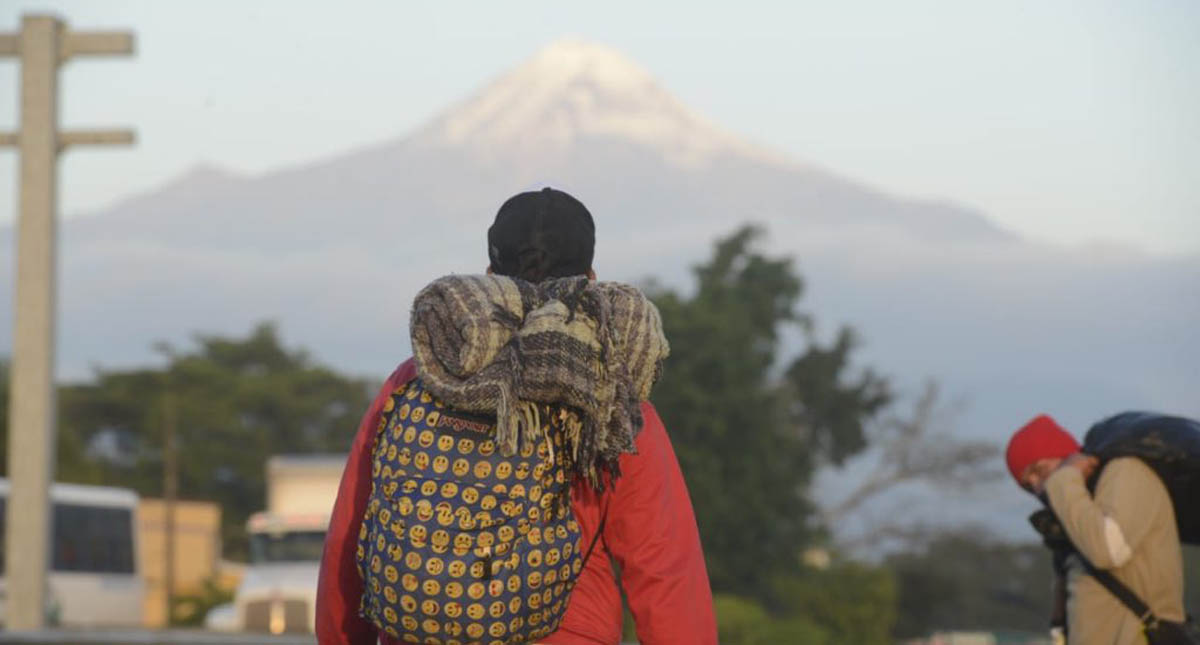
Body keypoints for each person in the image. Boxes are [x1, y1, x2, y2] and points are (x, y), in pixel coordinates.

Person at [316, 187, 717, 645]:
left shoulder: (417, 379)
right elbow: (664, 569)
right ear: (589, 277)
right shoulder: (613, 396)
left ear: (490, 275)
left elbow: (351, 534)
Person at [1006, 414, 1186, 645]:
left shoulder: (1126, 471)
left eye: (1040, 471)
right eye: (1028, 486)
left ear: (1071, 457)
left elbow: (1107, 551)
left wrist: (1064, 480)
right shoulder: (1077, 506)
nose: (1039, 488)